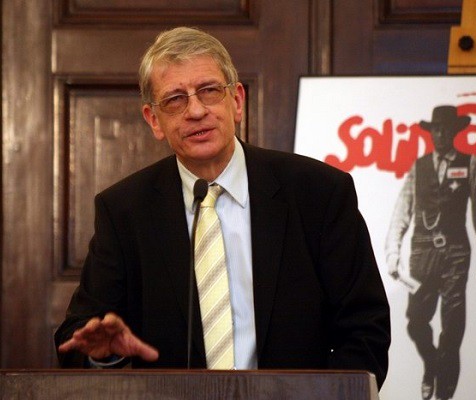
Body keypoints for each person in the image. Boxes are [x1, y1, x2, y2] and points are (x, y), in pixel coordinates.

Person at [54, 26, 391, 387]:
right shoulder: (125, 211)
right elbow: (78, 336)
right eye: (175, 99)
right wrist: (103, 354)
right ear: (154, 120)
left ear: (237, 101)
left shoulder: (319, 193)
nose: (196, 111)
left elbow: (365, 329)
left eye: (209, 91)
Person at [385, 105, 476, 400]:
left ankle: (445, 391)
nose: (441, 134)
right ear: (431, 132)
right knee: (416, 321)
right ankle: (432, 364)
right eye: (436, 129)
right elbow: (402, 211)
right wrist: (393, 253)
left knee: (452, 323)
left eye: (446, 129)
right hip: (422, 252)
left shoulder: (469, 163)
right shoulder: (419, 166)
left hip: (456, 252)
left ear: (455, 132)